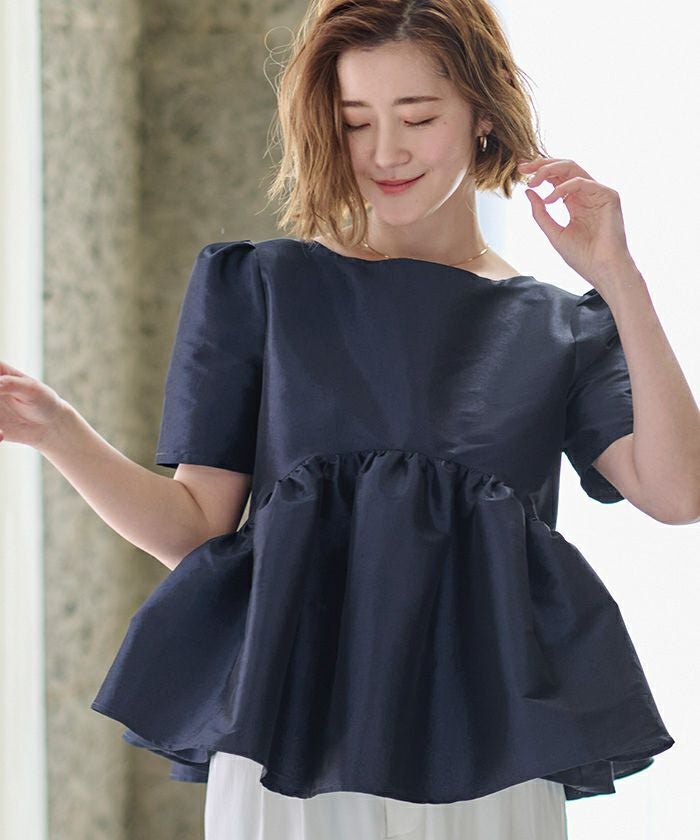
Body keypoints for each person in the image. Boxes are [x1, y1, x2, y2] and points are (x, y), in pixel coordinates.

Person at [1, 0, 697, 838]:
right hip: (291, 746)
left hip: (487, 747)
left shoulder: (558, 327)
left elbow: (677, 492)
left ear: (483, 113)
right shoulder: (261, 288)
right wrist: (56, 431)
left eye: (418, 117)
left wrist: (618, 277)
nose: (385, 151)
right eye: (355, 120)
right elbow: (193, 529)